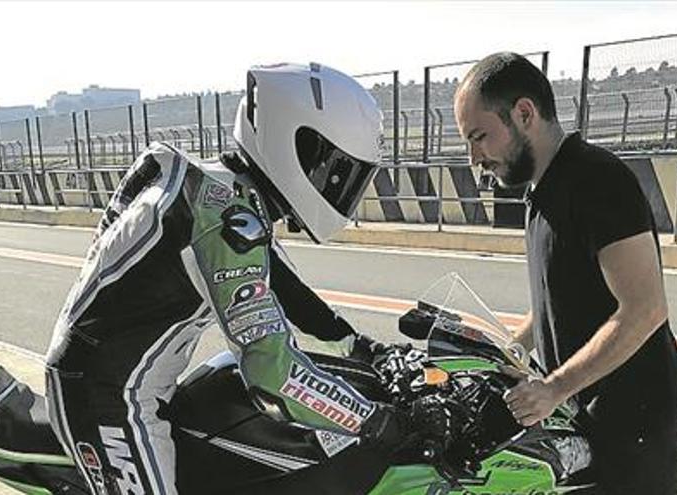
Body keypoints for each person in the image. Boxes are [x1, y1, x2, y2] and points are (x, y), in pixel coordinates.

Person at [45, 62, 441, 495]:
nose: (336, 184)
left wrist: (363, 347)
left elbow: (286, 289)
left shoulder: (220, 194)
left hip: (135, 384)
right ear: (295, 144)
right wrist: (375, 420)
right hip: (108, 398)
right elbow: (274, 371)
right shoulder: (224, 221)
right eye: (334, 168)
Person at [453, 52, 677, 494]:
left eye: (480, 136)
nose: (474, 157)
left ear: (524, 113)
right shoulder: (542, 191)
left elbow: (644, 308)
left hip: (633, 426)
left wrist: (554, 387)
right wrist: (509, 350)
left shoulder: (598, 181)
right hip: (585, 416)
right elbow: (558, 293)